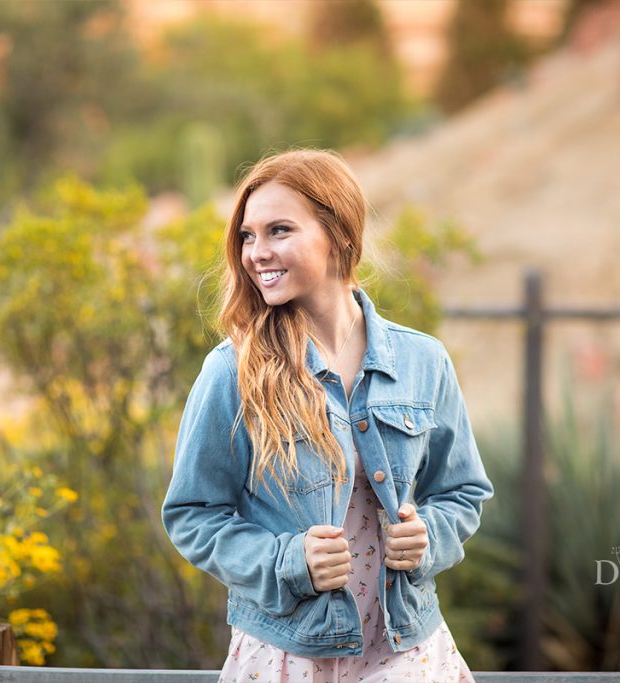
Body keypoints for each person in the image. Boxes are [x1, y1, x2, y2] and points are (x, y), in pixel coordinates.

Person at [161, 148, 493, 681]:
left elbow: (463, 493)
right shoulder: (233, 371)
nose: (256, 253)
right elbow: (193, 514)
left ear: (337, 234)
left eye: (279, 231)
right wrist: (287, 561)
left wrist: (428, 534)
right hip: (287, 655)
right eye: (248, 235)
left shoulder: (422, 361)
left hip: (406, 649)